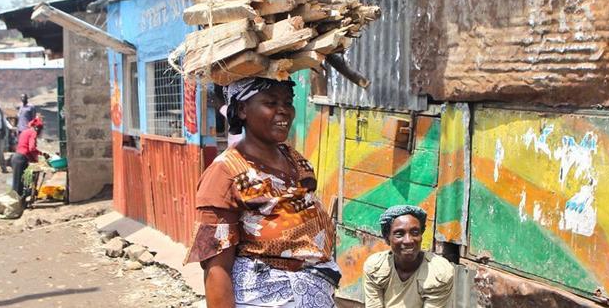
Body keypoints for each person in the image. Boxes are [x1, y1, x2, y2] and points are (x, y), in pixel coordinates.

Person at [185, 77, 340, 307]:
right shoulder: (225, 173)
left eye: (288, 103)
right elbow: (216, 268)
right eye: (271, 103)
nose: (283, 111)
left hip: (312, 294)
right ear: (242, 109)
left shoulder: (296, 161)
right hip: (261, 298)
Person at [363, 205, 454, 308]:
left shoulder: (439, 273)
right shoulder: (376, 267)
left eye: (415, 232)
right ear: (388, 239)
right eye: (399, 234)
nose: (408, 241)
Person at [11, 117, 47, 197]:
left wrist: (39, 154)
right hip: (21, 159)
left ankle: (19, 200)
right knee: (18, 185)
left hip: (16, 157)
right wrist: (37, 158)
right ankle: (17, 203)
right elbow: (31, 148)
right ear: (38, 129)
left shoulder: (25, 131)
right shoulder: (33, 132)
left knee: (18, 183)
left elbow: (26, 147)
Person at [0, 97, 15, 173]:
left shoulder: (0, 110)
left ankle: (3, 168)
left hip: (1, 133)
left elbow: (4, 120)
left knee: (1, 152)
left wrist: (11, 127)